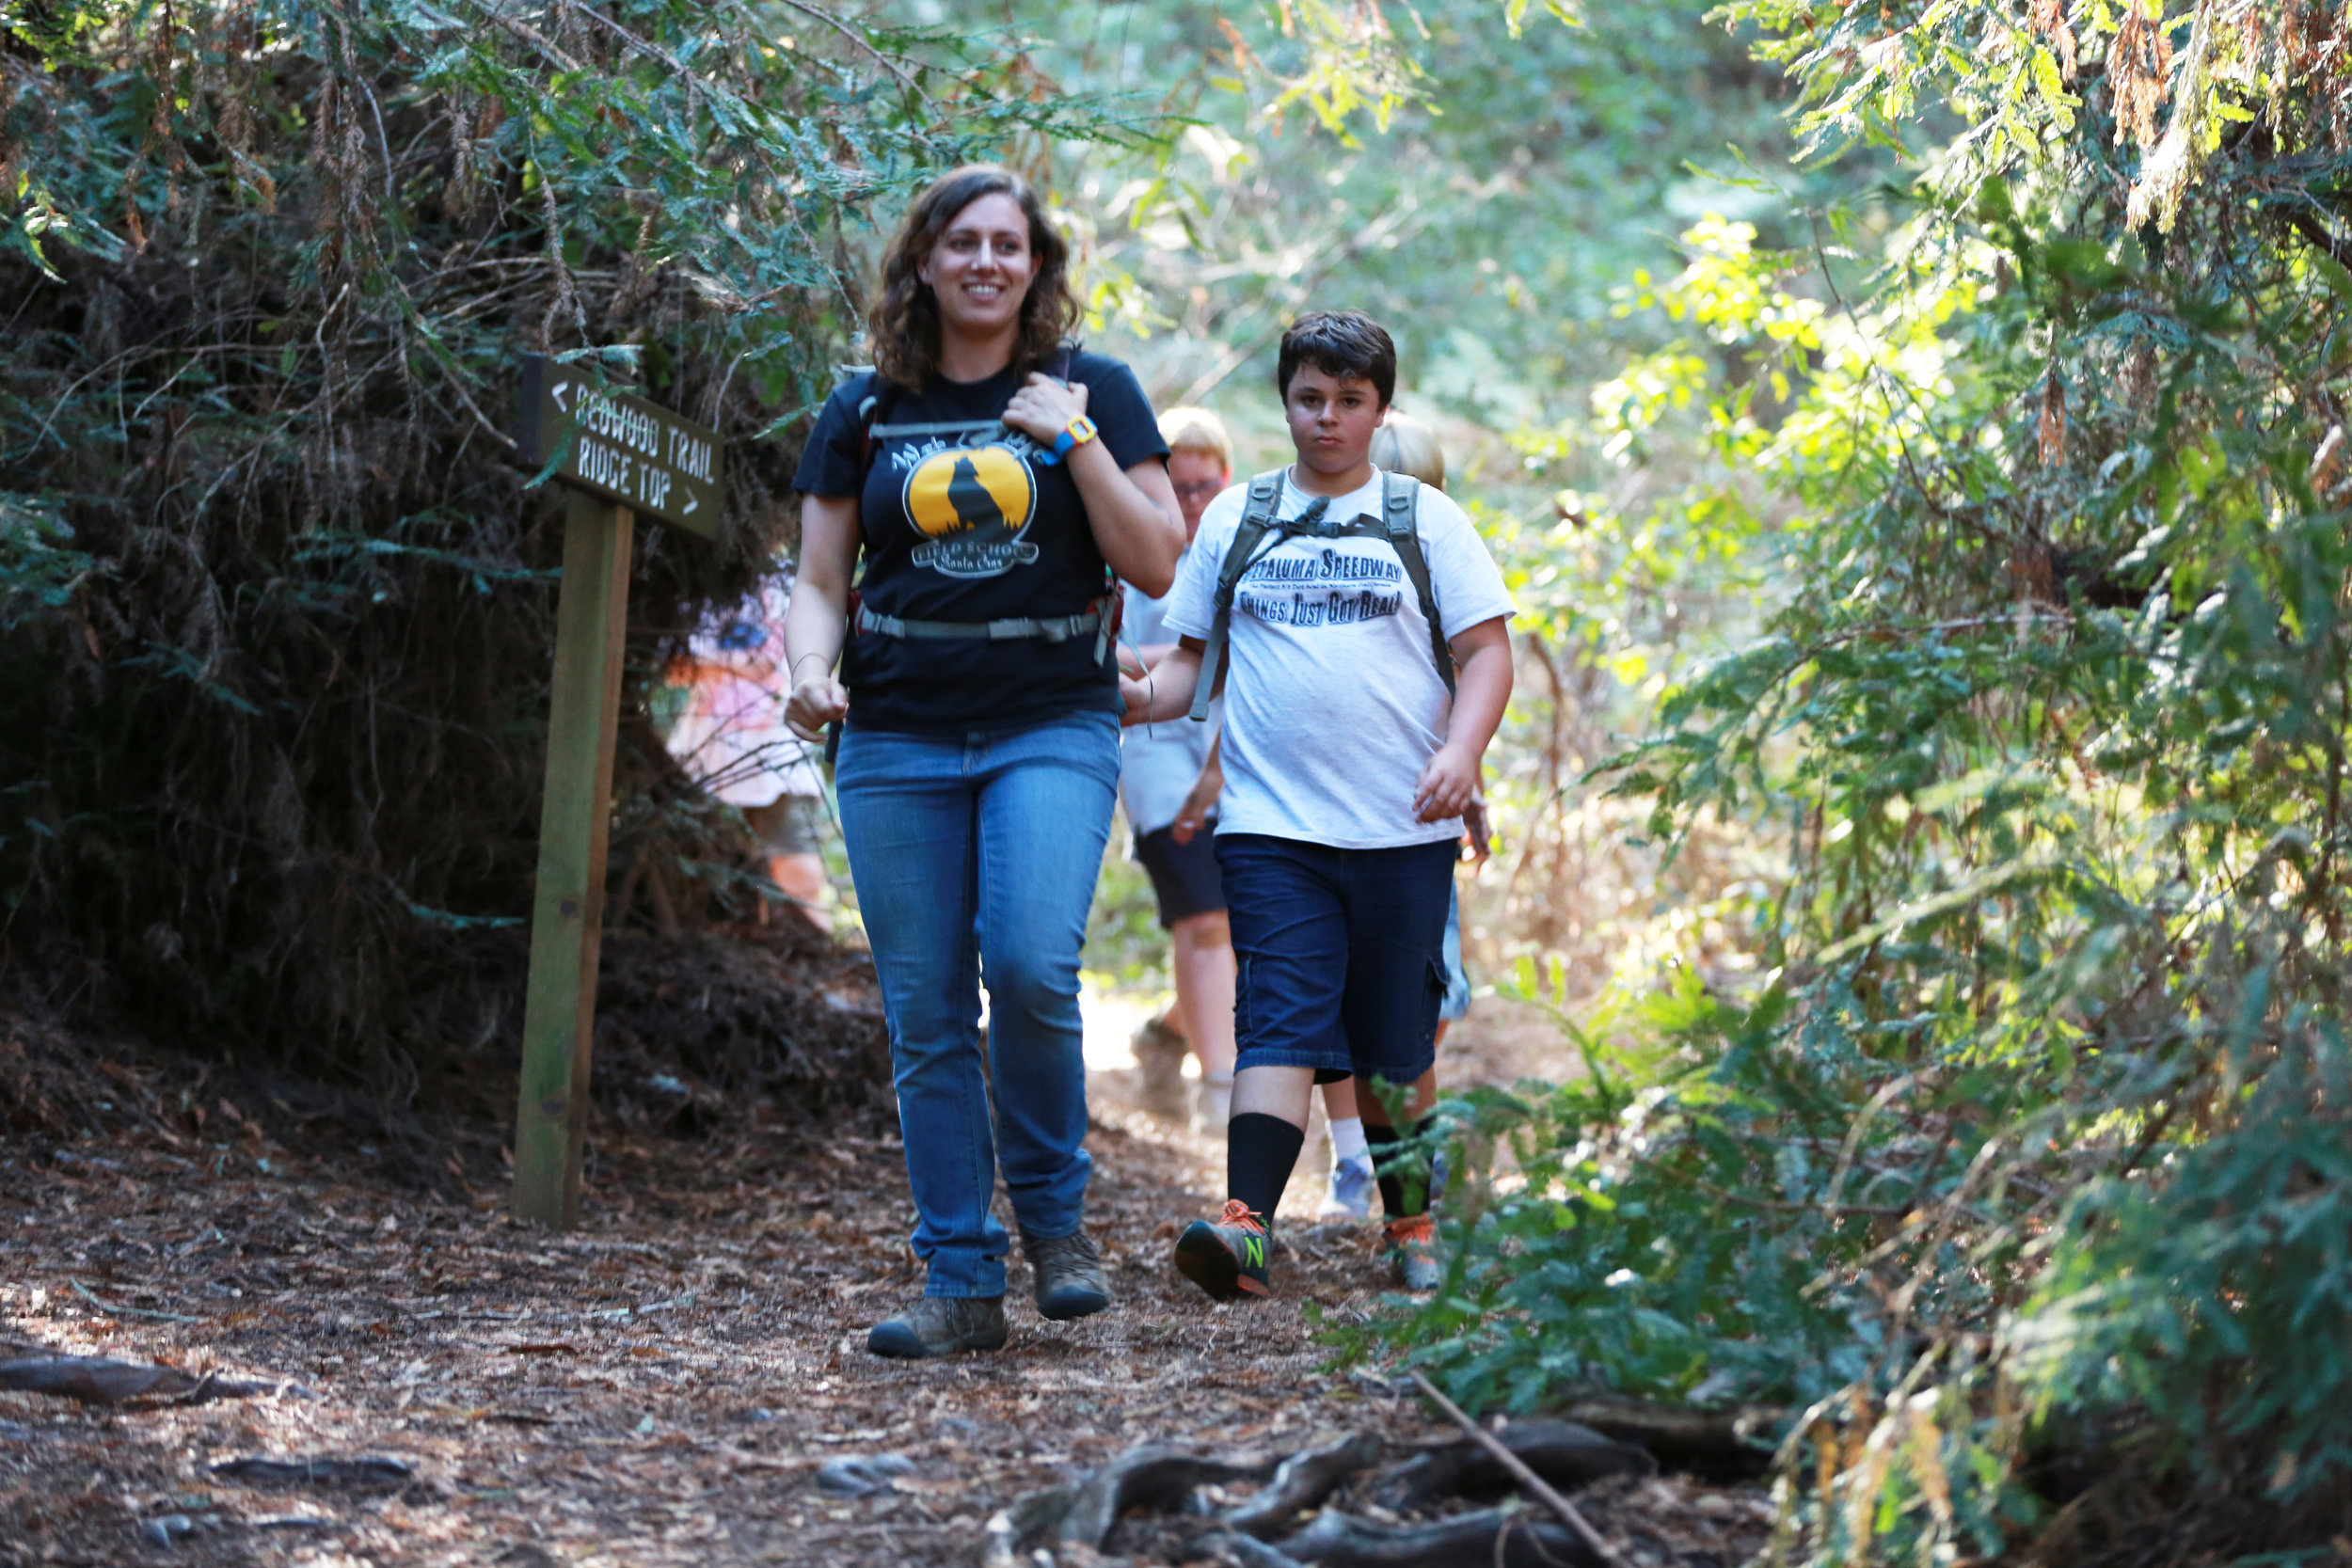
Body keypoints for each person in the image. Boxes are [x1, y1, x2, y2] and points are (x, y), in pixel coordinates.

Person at [782, 166, 1185, 1358]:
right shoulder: (863, 408)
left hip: (1050, 718)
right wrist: (810, 670)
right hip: (897, 734)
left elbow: (1159, 561)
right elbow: (817, 580)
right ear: (923, 262)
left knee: (1026, 959)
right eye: (962, 243)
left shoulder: (1094, 390)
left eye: (1009, 245)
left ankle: (1056, 1223)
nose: (986, 263)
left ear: (1036, 266)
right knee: (922, 1010)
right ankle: (959, 1276)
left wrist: (1077, 444)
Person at [1120, 310, 1516, 1298]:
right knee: (1280, 1018)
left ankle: (1409, 1225)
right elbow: (1183, 674)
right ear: (1285, 401)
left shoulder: (1425, 520)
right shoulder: (1239, 518)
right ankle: (1247, 1222)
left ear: (1380, 410)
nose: (1326, 419)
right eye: (1309, 399)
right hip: (1269, 828)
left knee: (1392, 1034)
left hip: (1401, 829)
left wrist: (1462, 752)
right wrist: (1129, 696)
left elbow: (1486, 654)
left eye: (1349, 401)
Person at [1119, 408, 1240, 1132]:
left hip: (1237, 748)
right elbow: (1124, 655)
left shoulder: (1243, 544)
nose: (1192, 500)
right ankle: (1220, 1091)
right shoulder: (1135, 548)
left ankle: (1166, 1034)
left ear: (1224, 480)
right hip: (1157, 751)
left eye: (1204, 485)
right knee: (1202, 918)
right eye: (1179, 484)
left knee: (1245, 932)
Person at [665, 569, 831, 931]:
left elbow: (778, 659)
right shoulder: (698, 585)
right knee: (708, 873)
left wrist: (710, 665)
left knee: (798, 874)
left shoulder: (792, 581)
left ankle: (815, 963)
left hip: (779, 756)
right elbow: (671, 665)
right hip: (702, 760)